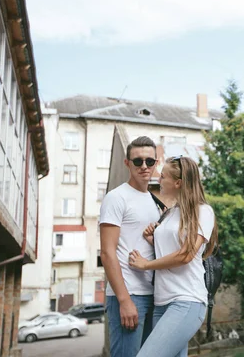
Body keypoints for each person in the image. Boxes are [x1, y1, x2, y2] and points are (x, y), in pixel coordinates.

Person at [128, 156, 219, 357]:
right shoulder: (170, 214)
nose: (158, 180)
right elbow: (171, 250)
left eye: (163, 177)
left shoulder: (203, 211)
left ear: (178, 183)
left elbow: (186, 255)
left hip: (187, 300)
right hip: (162, 303)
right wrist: (154, 238)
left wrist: (146, 265)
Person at [99, 136, 160, 357]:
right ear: (127, 163)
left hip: (153, 294)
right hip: (128, 295)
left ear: (156, 162)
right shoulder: (116, 198)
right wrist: (124, 301)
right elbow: (107, 253)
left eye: (149, 161)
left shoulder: (154, 201)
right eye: (137, 161)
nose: (144, 166)